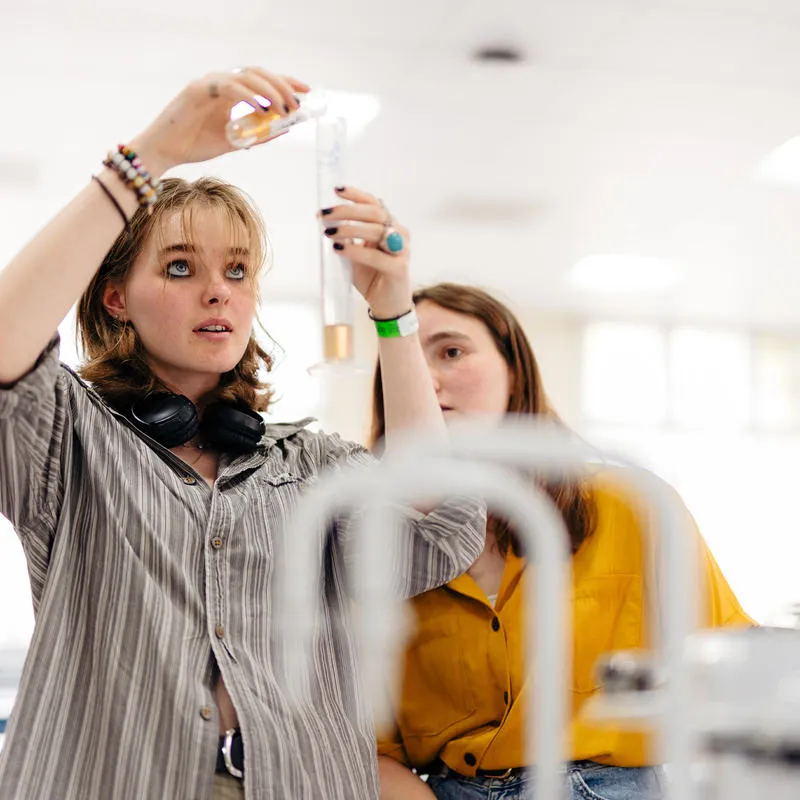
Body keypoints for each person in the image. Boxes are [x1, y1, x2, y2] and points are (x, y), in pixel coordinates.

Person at [0, 70, 487, 800]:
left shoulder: (311, 464)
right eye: (178, 267)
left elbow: (437, 527)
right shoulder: (70, 439)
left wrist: (392, 311)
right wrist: (153, 154)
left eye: (236, 270)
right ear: (115, 298)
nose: (218, 290)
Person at [370, 283, 755, 800]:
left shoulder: (634, 506)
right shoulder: (373, 549)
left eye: (451, 351)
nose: (425, 379)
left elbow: (730, 669)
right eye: (405, 363)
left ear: (514, 372)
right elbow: (365, 748)